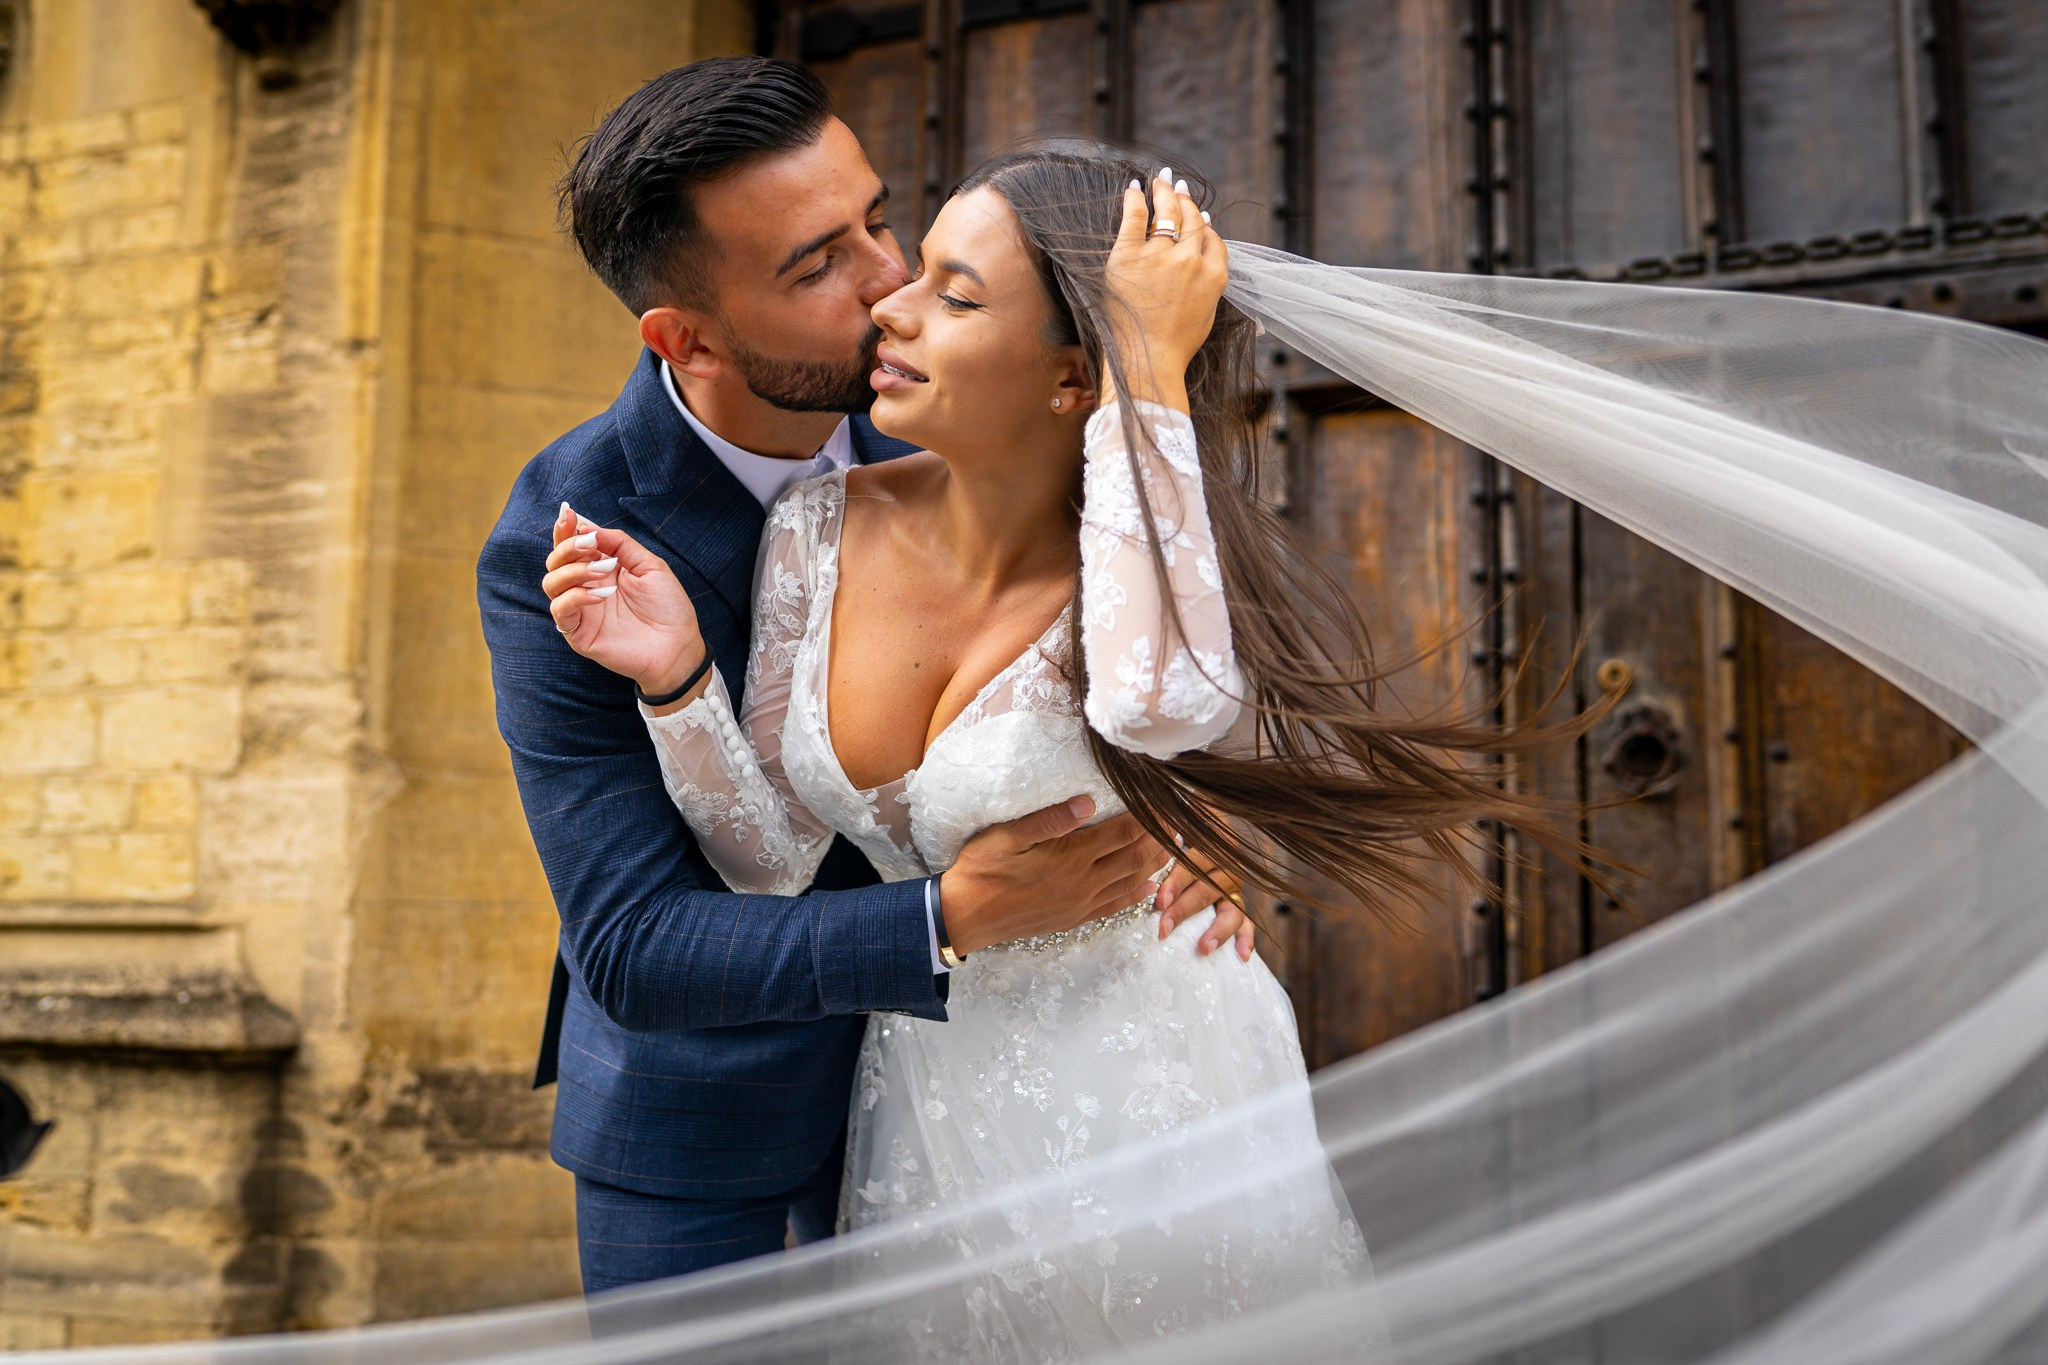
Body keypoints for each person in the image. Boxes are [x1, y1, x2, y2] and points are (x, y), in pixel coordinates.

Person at [541, 137, 1595, 1353]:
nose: (888, 305)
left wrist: (1147, 369)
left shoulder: (1146, 557)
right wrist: (675, 679)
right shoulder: (814, 524)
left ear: (1068, 379)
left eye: (951, 293)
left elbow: (1158, 711)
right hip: (925, 1084)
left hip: (1147, 1080)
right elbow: (771, 859)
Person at [476, 58, 1256, 1295]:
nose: (889, 283)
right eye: (815, 268)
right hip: (710, 1116)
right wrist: (942, 919)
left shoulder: (982, 403)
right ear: (686, 339)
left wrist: (1185, 814)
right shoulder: (562, 539)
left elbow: (1149, 658)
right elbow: (633, 942)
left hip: (1024, 1084)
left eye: (878, 220)